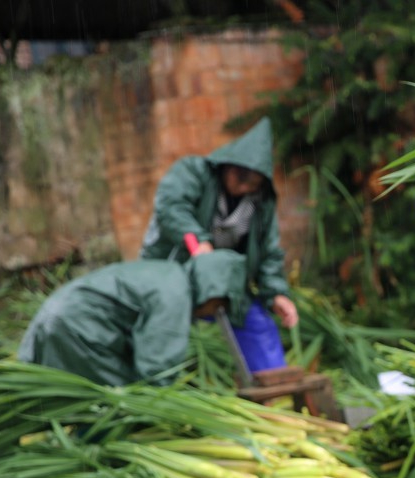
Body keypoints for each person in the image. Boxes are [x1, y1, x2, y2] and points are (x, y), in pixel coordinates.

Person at [140, 117, 299, 373]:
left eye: (252, 182)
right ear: (228, 164)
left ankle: (274, 387)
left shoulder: (260, 203)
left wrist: (276, 293)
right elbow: (171, 209)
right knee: (166, 331)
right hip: (175, 272)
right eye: (240, 176)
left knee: (256, 322)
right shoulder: (192, 172)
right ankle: (164, 383)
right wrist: (197, 242)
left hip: (224, 279)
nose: (243, 185)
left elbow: (268, 250)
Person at [19, 251, 249, 386]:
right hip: (79, 326)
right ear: (214, 290)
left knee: (68, 394)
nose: (213, 313)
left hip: (57, 313)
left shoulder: (169, 275)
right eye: (220, 305)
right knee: (112, 399)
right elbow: (156, 370)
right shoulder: (176, 295)